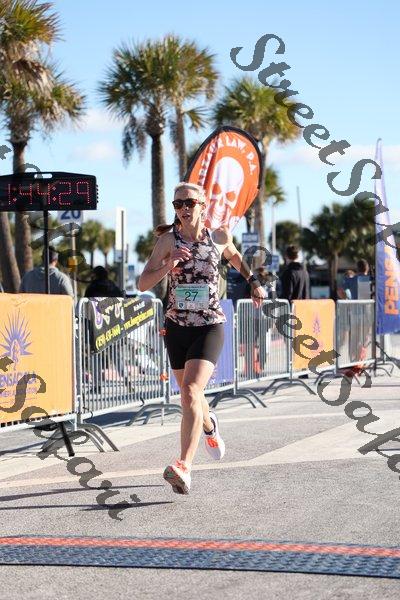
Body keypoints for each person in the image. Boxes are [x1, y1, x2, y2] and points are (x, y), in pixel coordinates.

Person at [138, 181, 266, 495]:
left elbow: (235, 257)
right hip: (177, 326)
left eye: (189, 203)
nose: (183, 208)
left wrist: (253, 282)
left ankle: (184, 465)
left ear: (203, 205)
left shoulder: (218, 236)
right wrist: (169, 264)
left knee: (192, 390)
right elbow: (142, 283)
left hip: (210, 324)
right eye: (178, 204)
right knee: (189, 396)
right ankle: (209, 425)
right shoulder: (168, 240)